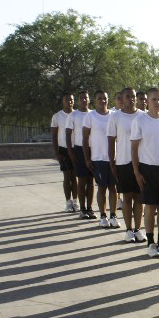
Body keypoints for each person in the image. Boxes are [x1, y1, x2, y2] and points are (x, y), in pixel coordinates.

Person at [131, 87, 159, 258]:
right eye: (154, 99)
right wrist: (136, 171)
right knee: (149, 208)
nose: (157, 102)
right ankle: (151, 243)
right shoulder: (140, 121)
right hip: (147, 169)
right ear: (147, 101)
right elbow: (133, 148)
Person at [108, 87, 145, 243]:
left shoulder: (143, 116)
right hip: (123, 161)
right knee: (127, 196)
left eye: (133, 96)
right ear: (121, 99)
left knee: (139, 197)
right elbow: (110, 141)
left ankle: (137, 229)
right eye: (128, 96)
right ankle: (128, 230)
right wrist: (112, 162)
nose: (131, 99)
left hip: (142, 162)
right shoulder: (115, 117)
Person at [82, 90, 119, 228]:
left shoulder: (114, 116)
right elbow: (85, 139)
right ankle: (103, 216)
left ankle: (113, 215)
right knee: (102, 188)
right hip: (98, 158)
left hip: (113, 158)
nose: (102, 101)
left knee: (113, 188)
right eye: (99, 98)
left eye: (104, 98)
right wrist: (87, 158)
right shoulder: (90, 116)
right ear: (94, 100)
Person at [66, 90, 95, 219]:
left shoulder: (93, 114)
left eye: (86, 98)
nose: (84, 100)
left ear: (89, 100)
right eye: (81, 98)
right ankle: (82, 209)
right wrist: (71, 152)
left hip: (93, 149)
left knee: (91, 180)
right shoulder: (73, 115)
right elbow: (68, 135)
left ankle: (90, 208)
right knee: (82, 180)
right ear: (78, 100)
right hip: (79, 149)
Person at [50, 93, 78, 213]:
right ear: (63, 101)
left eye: (71, 100)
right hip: (63, 149)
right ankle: (68, 202)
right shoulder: (57, 116)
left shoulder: (78, 114)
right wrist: (57, 153)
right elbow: (54, 136)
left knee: (75, 177)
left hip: (77, 148)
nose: (69, 102)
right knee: (67, 176)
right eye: (67, 100)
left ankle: (76, 201)